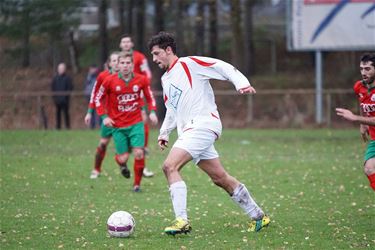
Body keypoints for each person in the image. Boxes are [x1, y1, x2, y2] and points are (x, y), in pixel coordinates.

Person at [148, 31, 270, 235]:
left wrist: (241, 83)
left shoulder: (189, 64)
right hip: (191, 130)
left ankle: (181, 221)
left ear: (168, 50)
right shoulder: (165, 79)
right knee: (219, 177)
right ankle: (259, 216)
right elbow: (172, 108)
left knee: (170, 166)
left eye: (156, 53)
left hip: (203, 124)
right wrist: (164, 133)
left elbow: (220, 66)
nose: (154, 59)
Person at [95, 52, 158, 192]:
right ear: (118, 64)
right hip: (117, 125)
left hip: (136, 123)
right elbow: (98, 99)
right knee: (122, 158)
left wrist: (152, 111)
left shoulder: (142, 80)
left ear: (132, 65)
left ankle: (137, 185)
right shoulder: (109, 81)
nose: (125, 66)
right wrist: (104, 116)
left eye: (128, 63)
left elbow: (150, 98)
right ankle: (123, 166)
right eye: (122, 63)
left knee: (139, 153)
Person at [336, 53, 375, 191]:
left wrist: (355, 118)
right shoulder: (359, 87)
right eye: (361, 69)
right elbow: (363, 102)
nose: (363, 72)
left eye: (368, 69)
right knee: (369, 169)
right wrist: (363, 124)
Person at [119, 34, 156, 178]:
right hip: (119, 99)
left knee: (142, 122)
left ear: (132, 44)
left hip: (136, 95)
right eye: (124, 42)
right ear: (121, 45)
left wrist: (140, 86)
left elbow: (148, 73)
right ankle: (122, 159)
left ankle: (142, 161)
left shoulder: (140, 57)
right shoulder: (117, 58)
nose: (126, 44)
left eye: (128, 41)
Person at [85, 52, 119, 179]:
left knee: (129, 145)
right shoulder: (103, 76)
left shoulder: (127, 77)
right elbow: (94, 95)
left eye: (118, 60)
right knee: (103, 144)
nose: (116, 63)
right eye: (114, 60)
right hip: (108, 116)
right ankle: (96, 169)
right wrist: (89, 112)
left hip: (124, 117)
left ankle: (132, 167)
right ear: (109, 63)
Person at [51, 62, 73, 129]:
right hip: (57, 100)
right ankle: (58, 127)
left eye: (62, 68)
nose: (61, 70)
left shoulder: (68, 78)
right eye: (60, 68)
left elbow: (70, 87)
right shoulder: (55, 78)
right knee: (58, 114)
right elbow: (53, 88)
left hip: (65, 100)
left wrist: (66, 96)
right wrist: (55, 97)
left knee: (66, 114)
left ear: (64, 69)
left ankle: (67, 127)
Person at [84, 64, 99, 129]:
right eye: (91, 69)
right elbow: (86, 85)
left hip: (96, 95)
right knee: (91, 111)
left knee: (97, 111)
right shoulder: (88, 76)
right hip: (89, 95)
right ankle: (92, 125)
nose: (92, 70)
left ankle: (98, 124)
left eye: (93, 68)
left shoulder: (98, 75)